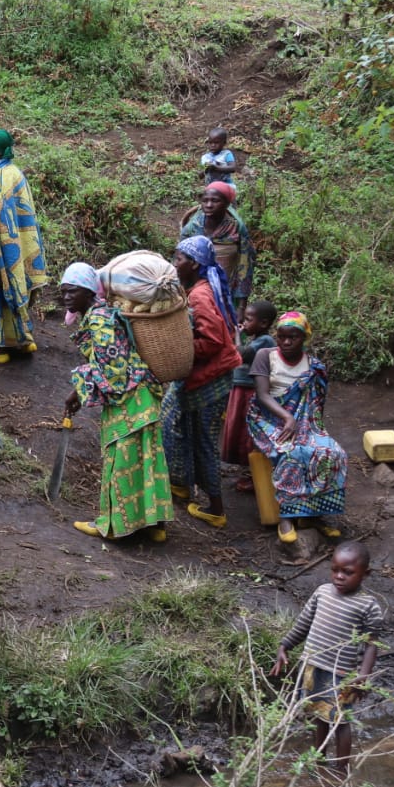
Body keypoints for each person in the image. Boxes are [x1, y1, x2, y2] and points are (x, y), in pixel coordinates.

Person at [61, 263, 174, 542]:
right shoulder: (100, 314)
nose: (66, 298)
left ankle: (113, 528)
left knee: (120, 463)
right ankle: (155, 526)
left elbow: (114, 370)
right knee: (148, 461)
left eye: (72, 292)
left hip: (131, 400)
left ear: (88, 292)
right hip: (144, 395)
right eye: (63, 292)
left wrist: (78, 385)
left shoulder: (99, 320)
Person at [270, 541, 382, 772]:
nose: (339, 576)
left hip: (341, 675)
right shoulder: (322, 593)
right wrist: (285, 646)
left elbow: (372, 644)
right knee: (317, 715)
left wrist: (363, 675)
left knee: (340, 722)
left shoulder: (368, 606)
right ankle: (318, 761)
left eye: (348, 572)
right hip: (312, 666)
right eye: (335, 570)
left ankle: (341, 771)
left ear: (365, 574)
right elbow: (303, 624)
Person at [161, 236, 242, 529]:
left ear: (194, 264)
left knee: (204, 440)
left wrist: (178, 350)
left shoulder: (199, 296)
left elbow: (212, 340)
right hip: (204, 374)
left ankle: (217, 509)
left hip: (211, 378)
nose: (175, 264)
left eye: (179, 259)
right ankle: (181, 483)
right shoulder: (197, 289)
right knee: (178, 423)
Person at [247, 310, 348, 544]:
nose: (286, 342)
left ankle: (312, 515)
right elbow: (262, 395)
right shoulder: (265, 355)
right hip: (267, 418)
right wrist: (288, 418)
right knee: (291, 453)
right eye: (281, 336)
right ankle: (287, 517)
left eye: (293, 337)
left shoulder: (313, 366)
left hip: (303, 422)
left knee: (332, 453)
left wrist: (314, 431)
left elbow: (315, 404)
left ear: (304, 338)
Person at [0, 128, 48, 363]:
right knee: (17, 285)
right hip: (20, 245)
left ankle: (0, 347)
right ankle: (22, 341)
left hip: (0, 247)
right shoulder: (14, 173)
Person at [220, 299, 277, 492]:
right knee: (237, 428)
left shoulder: (266, 341)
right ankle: (247, 471)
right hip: (240, 388)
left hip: (250, 391)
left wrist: (237, 334)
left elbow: (240, 353)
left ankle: (254, 476)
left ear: (263, 323)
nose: (244, 323)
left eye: (249, 319)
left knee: (248, 433)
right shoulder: (255, 339)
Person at [180, 181, 256, 312]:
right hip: (195, 291)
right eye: (205, 200)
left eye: (215, 201)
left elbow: (245, 267)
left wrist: (242, 307)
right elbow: (179, 261)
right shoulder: (192, 228)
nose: (209, 205)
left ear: (227, 204)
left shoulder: (236, 229)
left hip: (227, 291)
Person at [200, 127, 238, 191]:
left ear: (224, 143)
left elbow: (232, 168)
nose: (213, 145)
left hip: (226, 185)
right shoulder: (205, 157)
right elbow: (200, 176)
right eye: (210, 143)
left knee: (230, 197)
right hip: (211, 187)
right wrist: (205, 169)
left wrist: (216, 167)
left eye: (216, 143)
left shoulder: (226, 154)